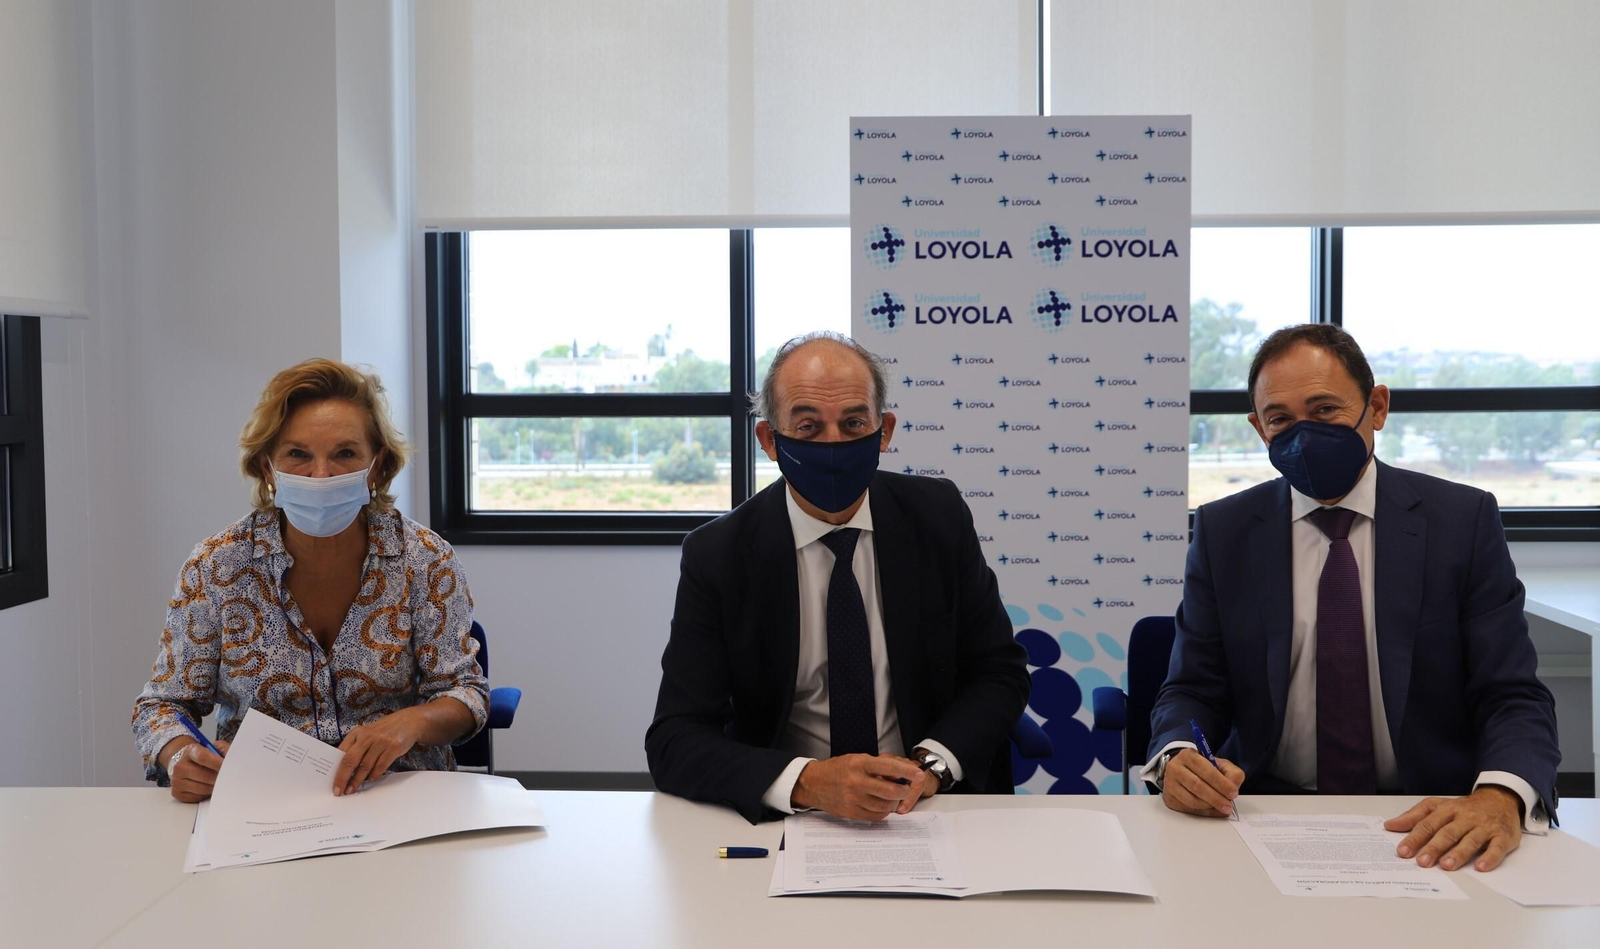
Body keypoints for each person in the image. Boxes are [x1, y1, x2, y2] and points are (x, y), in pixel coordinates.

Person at [1145, 324, 1559, 873]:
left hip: (1430, 814)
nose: (1304, 434)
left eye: (1324, 409)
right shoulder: (1225, 532)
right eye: (1280, 419)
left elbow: (1512, 694)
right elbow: (1192, 688)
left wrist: (1500, 797)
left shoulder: (1462, 522)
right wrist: (1177, 756)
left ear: (1377, 407)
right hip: (1261, 812)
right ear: (1259, 429)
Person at [646, 332, 1030, 824]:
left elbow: (998, 671)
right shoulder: (719, 554)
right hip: (797, 816)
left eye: (853, 424)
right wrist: (808, 782)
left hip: (930, 805)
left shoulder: (938, 516)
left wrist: (931, 766)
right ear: (769, 440)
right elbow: (675, 738)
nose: (833, 443)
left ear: (884, 431)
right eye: (808, 427)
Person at [132, 358, 489, 803]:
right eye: (298, 455)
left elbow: (466, 692)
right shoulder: (217, 566)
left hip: (399, 796)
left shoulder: (425, 559)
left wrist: (411, 723)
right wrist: (179, 755)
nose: (321, 475)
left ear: (377, 466)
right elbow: (162, 706)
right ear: (267, 467)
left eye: (345, 454)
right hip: (261, 802)